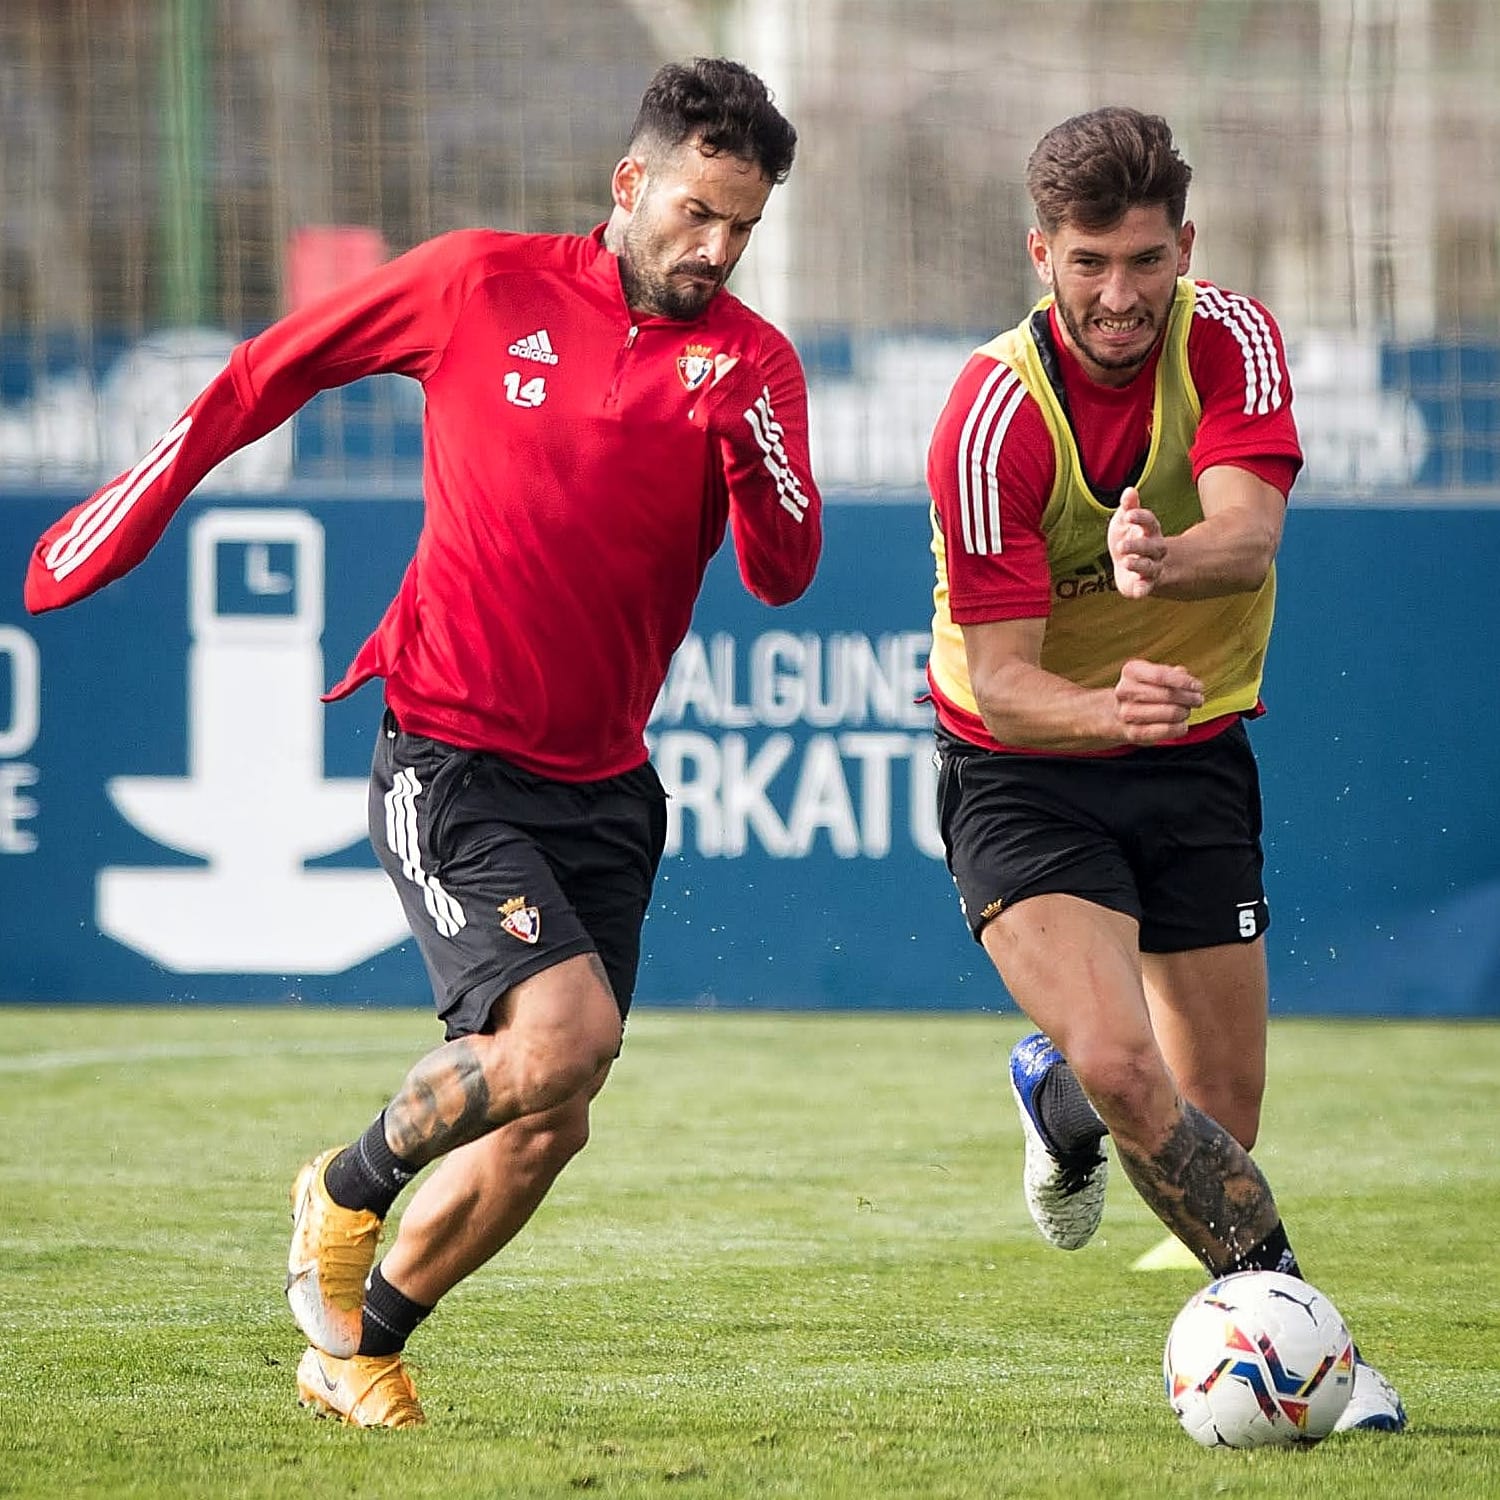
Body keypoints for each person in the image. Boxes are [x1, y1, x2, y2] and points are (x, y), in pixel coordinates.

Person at [25, 58, 820, 1428]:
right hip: (450, 747)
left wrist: (756, 456)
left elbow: (785, 572)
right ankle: (341, 1186)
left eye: (743, 225)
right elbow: (271, 371)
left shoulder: (751, 364)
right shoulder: (480, 284)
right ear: (630, 186)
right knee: (561, 1036)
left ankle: (358, 1343)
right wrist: (143, 497)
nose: (717, 249)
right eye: (696, 213)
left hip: (607, 783)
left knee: (550, 1119)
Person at [924, 106, 1404, 1432]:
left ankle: (1056, 1092)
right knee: (1142, 1078)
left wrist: (1159, 560)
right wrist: (1101, 705)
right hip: (1024, 765)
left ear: (1184, 245)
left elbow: (1247, 537)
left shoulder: (1233, 338)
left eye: (1145, 260)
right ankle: (1315, 1350)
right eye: (1090, 264)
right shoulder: (991, 420)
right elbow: (1007, 680)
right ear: (1042, 255)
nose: (1120, 294)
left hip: (1196, 754)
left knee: (1209, 1116)